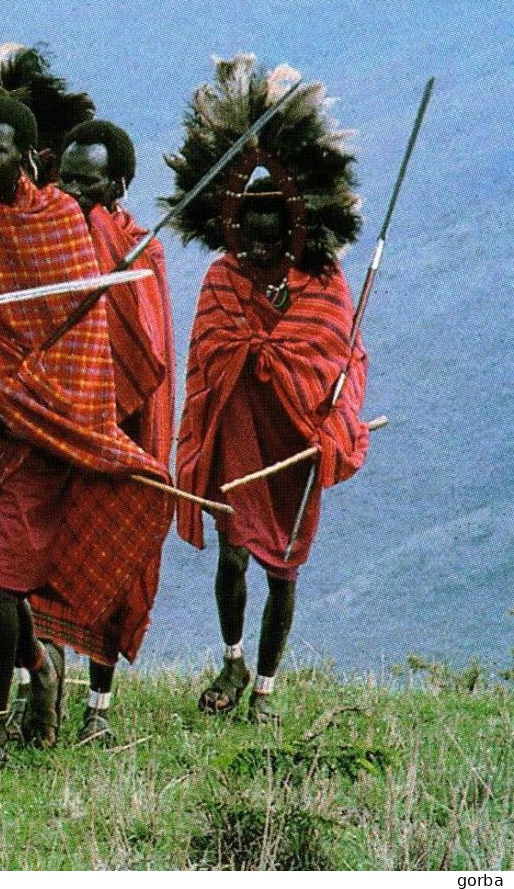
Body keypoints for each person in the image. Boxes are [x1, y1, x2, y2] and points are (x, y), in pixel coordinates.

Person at [0, 97, 167, 765]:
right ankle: (35, 674)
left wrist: (14, 403)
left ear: (26, 157)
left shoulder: (59, 227)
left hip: (35, 435)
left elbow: (80, 346)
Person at [176, 185, 369, 723]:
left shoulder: (323, 281)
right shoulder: (223, 278)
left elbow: (338, 355)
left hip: (295, 438)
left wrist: (326, 409)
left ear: (293, 237)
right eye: (249, 240)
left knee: (285, 565)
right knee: (231, 552)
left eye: (272, 241)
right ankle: (232, 661)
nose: (259, 252)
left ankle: (264, 689)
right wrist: (250, 351)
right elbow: (207, 352)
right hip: (236, 432)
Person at [41, 120, 176, 744]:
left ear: (117, 184)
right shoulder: (45, 230)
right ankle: (37, 695)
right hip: (52, 420)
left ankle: (97, 708)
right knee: (42, 556)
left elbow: (146, 348)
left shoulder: (140, 249)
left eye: (86, 181)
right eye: (65, 177)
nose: (72, 190)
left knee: (111, 561)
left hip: (117, 430)